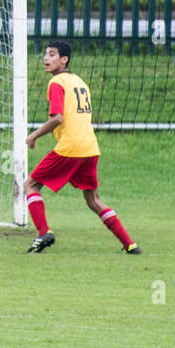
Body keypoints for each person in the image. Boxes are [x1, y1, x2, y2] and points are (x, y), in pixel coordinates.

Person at [24, 40, 140, 254]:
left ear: (64, 59)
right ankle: (130, 244)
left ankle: (43, 233)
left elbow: (57, 118)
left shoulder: (57, 83)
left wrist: (34, 135)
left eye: (52, 54)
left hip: (71, 147)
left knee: (30, 185)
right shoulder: (79, 82)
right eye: (45, 54)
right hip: (90, 147)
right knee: (93, 199)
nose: (45, 58)